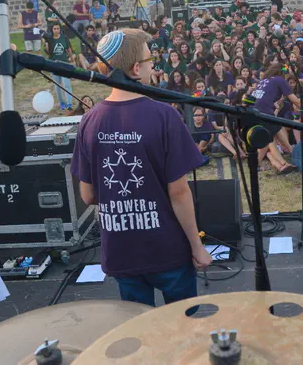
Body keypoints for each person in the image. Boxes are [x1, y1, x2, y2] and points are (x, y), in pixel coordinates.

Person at [71, 28, 212, 307]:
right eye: (150, 61)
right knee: (181, 323)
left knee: (138, 324)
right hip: (167, 249)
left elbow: (87, 195)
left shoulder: (89, 121)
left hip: (121, 253)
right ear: (136, 68)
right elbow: (179, 193)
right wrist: (197, 246)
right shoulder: (164, 116)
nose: (153, 67)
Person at [43, 22, 76, 111]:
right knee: (57, 86)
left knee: (67, 84)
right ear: (52, 30)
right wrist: (46, 45)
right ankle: (62, 102)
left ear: (60, 29)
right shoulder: (49, 39)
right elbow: (48, 52)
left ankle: (69, 103)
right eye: (55, 29)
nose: (56, 30)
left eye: (58, 28)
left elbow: (68, 49)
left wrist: (72, 59)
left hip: (64, 64)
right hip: (54, 65)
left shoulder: (64, 38)